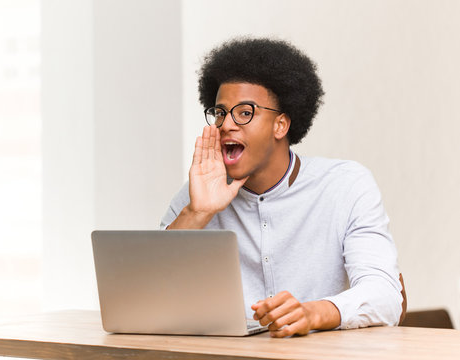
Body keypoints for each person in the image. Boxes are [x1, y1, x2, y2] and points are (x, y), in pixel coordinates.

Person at [160, 37, 403, 338]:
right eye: (221, 113)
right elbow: (146, 296)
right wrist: (197, 213)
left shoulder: (346, 186)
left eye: (245, 112)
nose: (225, 125)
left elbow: (386, 296)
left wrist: (312, 313)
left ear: (281, 125)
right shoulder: (196, 196)